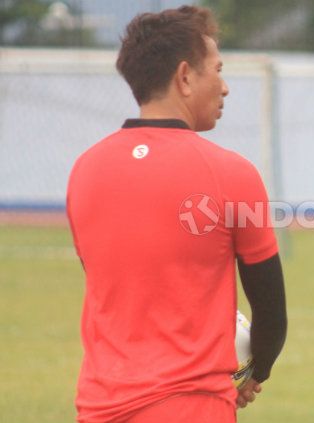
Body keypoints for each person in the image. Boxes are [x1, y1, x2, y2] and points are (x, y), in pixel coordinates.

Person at [66, 6, 287, 423]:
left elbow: (115, 291)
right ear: (185, 77)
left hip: (99, 406)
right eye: (217, 70)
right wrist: (255, 373)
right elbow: (272, 312)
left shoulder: (84, 169)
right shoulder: (232, 173)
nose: (225, 87)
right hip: (193, 406)